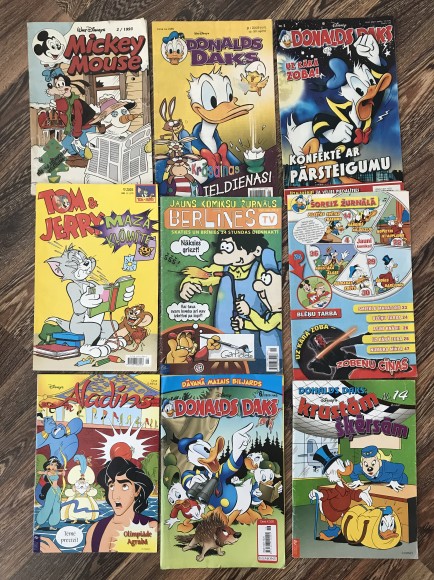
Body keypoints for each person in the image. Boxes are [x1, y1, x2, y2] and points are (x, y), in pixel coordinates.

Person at [39, 457, 156, 552]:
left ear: (137, 490)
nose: (116, 495)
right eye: (111, 486)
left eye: (124, 486)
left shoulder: (151, 527)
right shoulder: (95, 530)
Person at [35, 456, 65, 530]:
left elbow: (60, 473)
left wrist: (62, 473)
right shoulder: (48, 473)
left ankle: (52, 524)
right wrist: (44, 472)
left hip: (57, 490)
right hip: (50, 491)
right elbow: (40, 472)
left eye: (55, 465)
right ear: (48, 465)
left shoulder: (56, 472)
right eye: (52, 465)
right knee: (48, 506)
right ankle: (39, 523)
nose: (54, 467)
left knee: (56, 507)